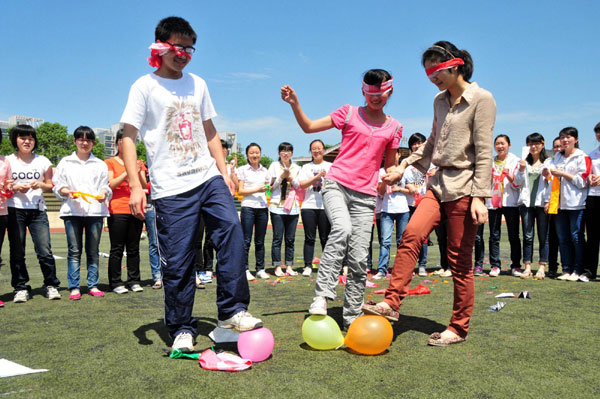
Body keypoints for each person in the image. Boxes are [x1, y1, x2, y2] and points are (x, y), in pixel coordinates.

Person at [120, 16, 261, 352]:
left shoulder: (197, 83)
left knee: (231, 230)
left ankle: (232, 310)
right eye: (176, 46)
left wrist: (224, 170)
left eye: (189, 48)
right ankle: (182, 326)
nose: (183, 53)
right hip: (170, 187)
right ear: (160, 47)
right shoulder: (144, 86)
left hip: (207, 176)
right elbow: (128, 138)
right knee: (180, 261)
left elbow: (210, 130)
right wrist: (137, 186)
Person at [363, 41, 495, 346]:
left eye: (436, 69)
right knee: (411, 234)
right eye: (428, 72)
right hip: (437, 185)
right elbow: (433, 143)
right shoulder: (439, 100)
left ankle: (458, 328)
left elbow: (485, 152)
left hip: (465, 186)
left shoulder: (482, 99)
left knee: (459, 262)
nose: (432, 76)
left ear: (455, 64)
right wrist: (403, 166)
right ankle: (391, 303)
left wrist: (480, 196)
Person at [281, 68, 402, 329]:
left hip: (366, 195)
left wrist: (397, 173)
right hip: (336, 185)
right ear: (363, 91)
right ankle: (322, 295)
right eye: (370, 93)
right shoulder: (348, 112)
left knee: (359, 257)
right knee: (342, 229)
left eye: (380, 93)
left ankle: (352, 317)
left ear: (389, 91)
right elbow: (309, 127)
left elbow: (389, 165)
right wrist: (295, 104)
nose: (375, 98)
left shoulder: (394, 127)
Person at [52, 126, 111, 300]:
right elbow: (58, 184)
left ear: (93, 142)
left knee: (93, 250)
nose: (84, 143)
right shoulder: (65, 162)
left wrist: (103, 194)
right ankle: (74, 287)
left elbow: (104, 186)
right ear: (75, 141)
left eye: (88, 140)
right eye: (81, 139)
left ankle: (92, 284)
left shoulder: (100, 164)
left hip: (95, 212)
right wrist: (65, 191)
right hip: (72, 211)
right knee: (74, 250)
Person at [7, 125, 61, 303]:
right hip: (14, 209)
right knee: (17, 251)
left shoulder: (43, 161)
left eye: (30, 138)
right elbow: (5, 185)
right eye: (23, 138)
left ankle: (51, 284)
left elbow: (50, 184)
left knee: (44, 250)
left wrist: (40, 185)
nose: (27, 141)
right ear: (16, 139)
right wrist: (15, 187)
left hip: (38, 210)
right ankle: (20, 287)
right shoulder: (8, 161)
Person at [543, 127, 590, 281]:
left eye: (568, 137)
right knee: (562, 238)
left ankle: (578, 269)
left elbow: (583, 182)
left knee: (576, 236)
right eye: (562, 137)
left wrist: (564, 174)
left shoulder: (582, 157)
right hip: (559, 204)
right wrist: (549, 199)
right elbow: (552, 182)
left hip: (576, 204)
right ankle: (566, 269)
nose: (564, 140)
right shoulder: (557, 157)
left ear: (576, 139)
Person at [105, 130, 147, 294]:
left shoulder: (138, 163)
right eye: (124, 141)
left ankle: (134, 280)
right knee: (117, 248)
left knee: (134, 247)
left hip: (136, 209)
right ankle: (116, 282)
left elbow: (144, 185)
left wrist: (139, 171)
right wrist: (128, 171)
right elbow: (111, 184)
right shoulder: (110, 162)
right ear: (117, 143)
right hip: (118, 208)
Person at [487, 135, 523, 277]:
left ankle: (515, 266)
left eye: (503, 143)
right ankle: (495, 265)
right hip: (494, 202)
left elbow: (518, 183)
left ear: (509, 145)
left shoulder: (516, 161)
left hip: (510, 202)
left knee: (514, 235)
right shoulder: (490, 162)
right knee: (494, 235)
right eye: (497, 144)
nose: (500, 146)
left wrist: (508, 176)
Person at [516, 133, 551, 279]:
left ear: (542, 145)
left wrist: (548, 200)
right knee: (528, 236)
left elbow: (552, 182)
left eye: (536, 143)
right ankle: (527, 267)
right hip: (526, 204)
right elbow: (517, 183)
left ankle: (542, 267)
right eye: (530, 144)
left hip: (541, 203)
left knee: (543, 236)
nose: (533, 146)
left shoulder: (548, 162)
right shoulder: (525, 162)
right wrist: (521, 169)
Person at [373, 148, 410, 280]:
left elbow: (412, 190)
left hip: (403, 210)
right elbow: (380, 192)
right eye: (389, 153)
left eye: (395, 153)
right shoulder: (381, 171)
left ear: (399, 154)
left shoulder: (404, 170)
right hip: (386, 210)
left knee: (402, 241)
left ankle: (401, 270)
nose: (392, 155)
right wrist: (384, 181)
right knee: (385, 241)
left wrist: (399, 188)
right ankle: (382, 270)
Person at [236, 143, 271, 280]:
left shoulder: (265, 171)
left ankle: (260, 269)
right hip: (248, 207)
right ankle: (244, 269)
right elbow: (241, 191)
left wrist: (270, 189)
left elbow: (267, 190)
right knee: (246, 240)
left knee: (260, 241)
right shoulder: (243, 170)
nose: (254, 155)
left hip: (262, 207)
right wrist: (257, 189)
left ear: (260, 154)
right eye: (251, 153)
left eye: (257, 152)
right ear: (247, 155)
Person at [298, 139, 332, 277]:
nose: (317, 151)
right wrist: (317, 176)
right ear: (310, 151)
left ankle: (327, 266)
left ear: (324, 150)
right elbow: (303, 184)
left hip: (325, 206)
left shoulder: (331, 166)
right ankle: (307, 265)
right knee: (309, 237)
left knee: (326, 238)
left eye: (319, 148)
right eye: (313, 148)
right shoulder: (306, 167)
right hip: (309, 206)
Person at [268, 142, 302, 277]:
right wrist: (281, 177)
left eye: (288, 151)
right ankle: (277, 267)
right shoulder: (273, 166)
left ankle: (289, 266)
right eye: (283, 151)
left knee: (290, 239)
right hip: (277, 207)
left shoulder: (297, 168)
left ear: (292, 153)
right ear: (279, 153)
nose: (285, 153)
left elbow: (299, 186)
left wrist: (290, 177)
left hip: (292, 207)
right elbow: (270, 188)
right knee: (277, 238)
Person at [403, 133, 430, 277]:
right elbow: (401, 183)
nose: (417, 146)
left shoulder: (432, 162)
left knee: (423, 237)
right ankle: (409, 266)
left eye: (420, 143)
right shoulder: (406, 164)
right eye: (414, 143)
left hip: (426, 204)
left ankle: (422, 265)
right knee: (410, 236)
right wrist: (407, 186)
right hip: (410, 205)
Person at [583, 122, 600, 281]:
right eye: (597, 132)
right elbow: (587, 173)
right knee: (593, 236)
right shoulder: (592, 154)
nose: (599, 134)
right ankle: (590, 271)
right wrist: (589, 177)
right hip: (593, 196)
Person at [547, 137, 562, 277]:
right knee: (552, 238)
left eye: (560, 146)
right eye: (555, 147)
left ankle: (571, 267)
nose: (558, 149)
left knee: (568, 237)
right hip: (552, 204)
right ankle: (552, 267)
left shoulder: (574, 159)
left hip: (567, 204)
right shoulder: (550, 162)